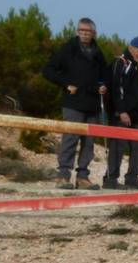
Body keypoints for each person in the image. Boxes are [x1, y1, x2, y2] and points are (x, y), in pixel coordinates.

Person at [42, 17, 108, 189]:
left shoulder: (98, 53)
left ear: (94, 33)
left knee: (89, 142)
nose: (84, 34)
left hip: (92, 104)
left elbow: (104, 76)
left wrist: (103, 86)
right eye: (81, 30)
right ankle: (63, 176)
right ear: (77, 32)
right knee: (70, 139)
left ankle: (83, 178)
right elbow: (48, 70)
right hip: (73, 103)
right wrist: (65, 84)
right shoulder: (68, 49)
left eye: (88, 31)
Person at [102, 36, 138, 190]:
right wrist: (121, 111)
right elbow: (116, 88)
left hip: (133, 117)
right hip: (120, 115)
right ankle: (110, 180)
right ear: (130, 48)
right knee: (117, 146)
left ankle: (132, 178)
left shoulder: (133, 66)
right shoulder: (120, 63)